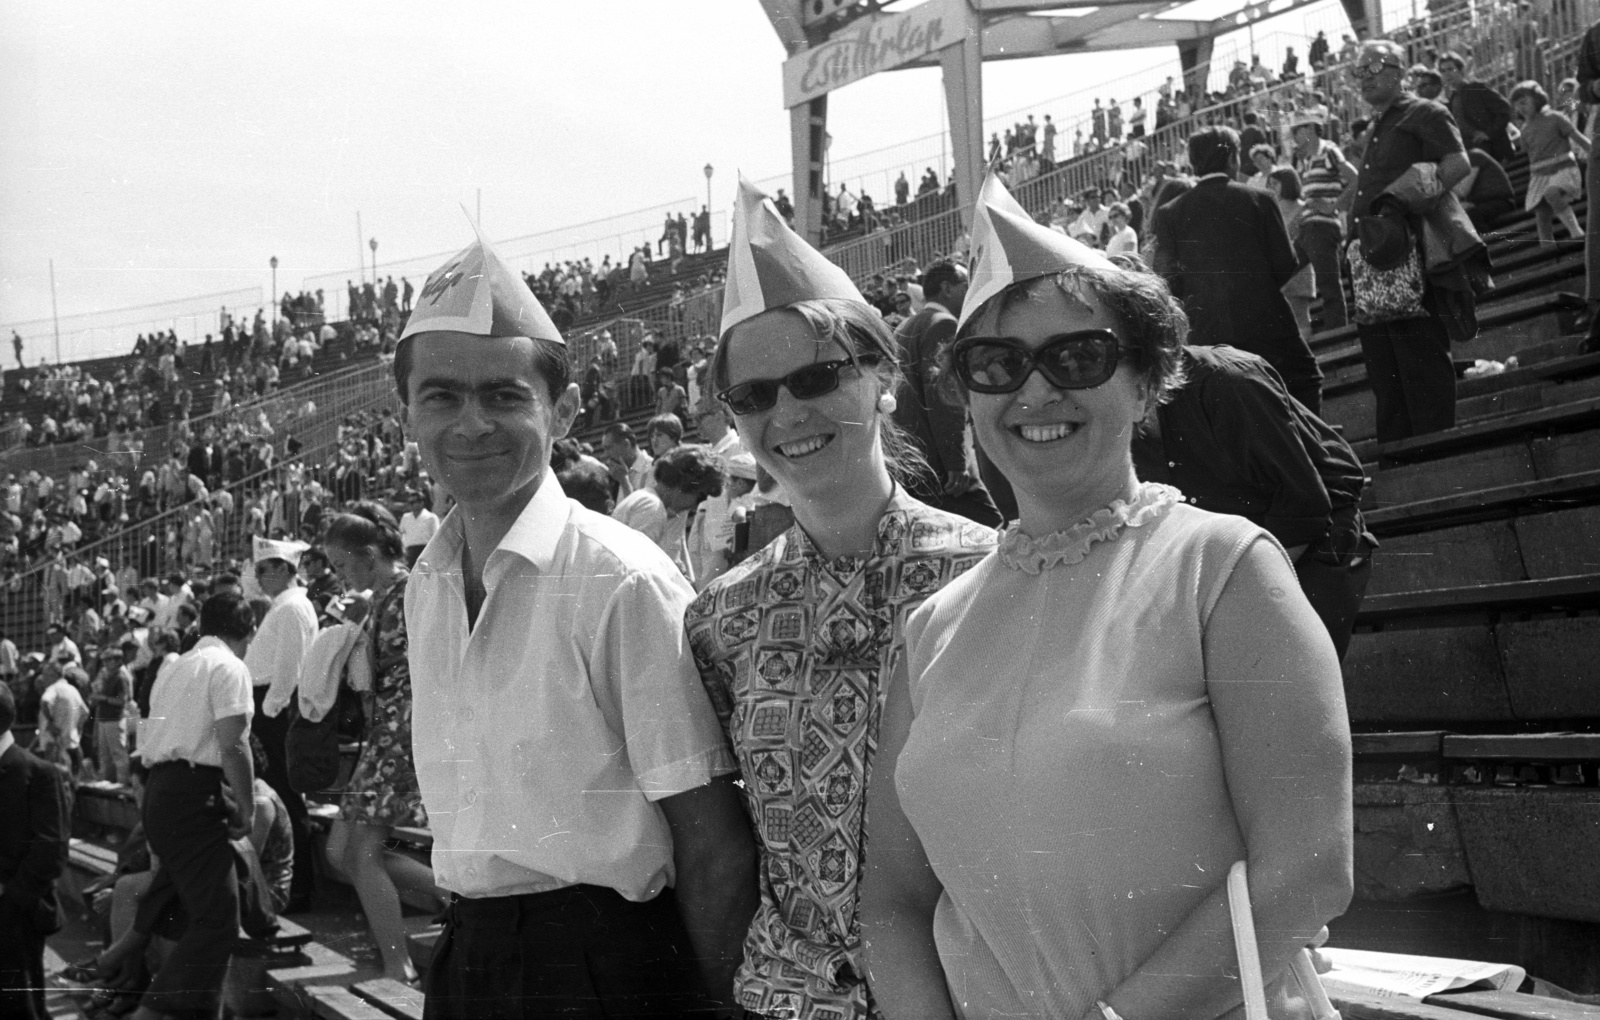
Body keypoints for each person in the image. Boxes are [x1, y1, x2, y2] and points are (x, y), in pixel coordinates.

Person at [859, 173, 1353, 1019]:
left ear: (1143, 380)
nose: (1036, 389)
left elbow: (1308, 869)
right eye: (997, 363)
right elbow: (892, 901)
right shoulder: (931, 629)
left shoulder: (1225, 567)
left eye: (1078, 356)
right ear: (969, 397)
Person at [394, 233, 756, 1017]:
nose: (471, 424)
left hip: (604, 969)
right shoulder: (425, 584)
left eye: (503, 395)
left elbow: (711, 839)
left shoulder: (617, 580)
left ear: (562, 411)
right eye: (442, 397)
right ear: (407, 418)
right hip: (473, 959)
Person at [685, 178, 996, 1019]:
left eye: (817, 376)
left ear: (880, 378)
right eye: (752, 396)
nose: (787, 411)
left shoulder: (991, 572)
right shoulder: (720, 616)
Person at [1133, 344, 1375, 658]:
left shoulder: (1229, 381)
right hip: (1231, 559)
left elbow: (1305, 506)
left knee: (1278, 679)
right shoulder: (1102, 418)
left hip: (1316, 540)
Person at [125, 591, 258, 1020]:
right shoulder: (229, 666)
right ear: (247, 631)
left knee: (199, 911)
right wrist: (249, 807)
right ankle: (150, 1011)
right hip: (190, 793)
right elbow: (234, 743)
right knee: (219, 920)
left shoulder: (174, 666)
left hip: (161, 789)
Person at [321, 502, 436, 983]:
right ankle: (453, 899)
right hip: (384, 731)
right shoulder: (386, 595)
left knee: (359, 852)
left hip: (402, 730)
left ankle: (397, 964)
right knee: (339, 851)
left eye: (345, 566)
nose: (342, 578)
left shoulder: (410, 589)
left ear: (369, 555)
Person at [1351, 39, 1473, 442]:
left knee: (1420, 358)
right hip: (1375, 261)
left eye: (1373, 67)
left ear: (1399, 70)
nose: (1363, 77)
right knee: (1384, 368)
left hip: (1413, 255)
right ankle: (1398, 456)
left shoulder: (1426, 111)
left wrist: (1408, 200)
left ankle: (1434, 456)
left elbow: (1457, 164)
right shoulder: (1376, 124)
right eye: (1358, 71)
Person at [1155, 125, 1324, 412]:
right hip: (1267, 324)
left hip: (1209, 335)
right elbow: (1285, 266)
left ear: (1194, 163)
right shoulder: (1260, 198)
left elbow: (1169, 282)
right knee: (1304, 383)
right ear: (1232, 158)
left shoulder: (1170, 212)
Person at [892, 258, 1003, 527]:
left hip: (915, 458)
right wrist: (956, 461)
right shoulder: (943, 324)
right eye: (965, 283)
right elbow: (944, 397)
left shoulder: (906, 325)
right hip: (942, 463)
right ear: (947, 288)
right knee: (992, 526)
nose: (970, 289)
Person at [249, 537, 319, 910]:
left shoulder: (291, 607)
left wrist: (269, 712)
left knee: (286, 797)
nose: (259, 577)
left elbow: (288, 669)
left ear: (282, 568)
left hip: (274, 709)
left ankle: (300, 887)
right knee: (279, 794)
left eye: (263, 569)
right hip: (269, 706)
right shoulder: (284, 607)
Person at [0, 681, 69, 1020]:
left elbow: (50, 851)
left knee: (21, 1008)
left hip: (16, 915)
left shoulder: (39, 773)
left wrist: (7, 898)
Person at [612, 444, 725, 582]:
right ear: (685, 485)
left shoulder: (646, 498)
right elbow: (637, 570)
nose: (695, 505)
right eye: (700, 496)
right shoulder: (652, 507)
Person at [1290, 112, 1358, 331]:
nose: (1295, 136)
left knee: (1328, 284)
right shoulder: (1309, 160)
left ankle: (1338, 335)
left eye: (1298, 130)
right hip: (1308, 229)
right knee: (1284, 273)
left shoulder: (1328, 151)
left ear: (1311, 129)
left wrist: (1334, 205)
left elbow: (1355, 178)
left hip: (1322, 227)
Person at [1510, 80, 1590, 243]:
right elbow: (1529, 151)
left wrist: (1593, 152)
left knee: (1552, 193)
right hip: (1540, 175)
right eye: (1517, 105)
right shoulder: (1524, 130)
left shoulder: (1554, 117)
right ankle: (1547, 247)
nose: (1521, 108)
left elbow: (1578, 138)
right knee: (1541, 212)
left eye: (1524, 102)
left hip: (1563, 168)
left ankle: (1576, 231)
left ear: (1537, 99)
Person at [1439, 51, 1514, 162]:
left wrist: (1489, 134)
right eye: (1443, 71)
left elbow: (1504, 109)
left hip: (1493, 151)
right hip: (1472, 154)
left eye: (1450, 69)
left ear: (1461, 70)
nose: (1447, 74)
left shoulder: (1476, 88)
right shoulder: (1453, 99)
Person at [91, 643, 134, 784]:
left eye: (108, 660)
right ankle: (107, 783)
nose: (105, 663)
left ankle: (122, 784)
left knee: (118, 754)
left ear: (117, 660)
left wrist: (102, 698)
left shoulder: (120, 677)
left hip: (115, 719)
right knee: (104, 755)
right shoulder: (106, 676)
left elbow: (122, 700)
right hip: (104, 719)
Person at [600, 421, 654, 495]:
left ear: (626, 444)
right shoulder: (616, 473)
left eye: (608, 448)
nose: (605, 455)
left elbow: (642, 506)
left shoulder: (652, 469)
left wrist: (624, 481)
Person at [398, 488, 440, 567]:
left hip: (425, 551)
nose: (410, 505)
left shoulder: (431, 517)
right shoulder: (405, 517)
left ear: (421, 502)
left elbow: (436, 537)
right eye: (409, 502)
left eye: (413, 502)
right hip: (410, 553)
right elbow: (401, 534)